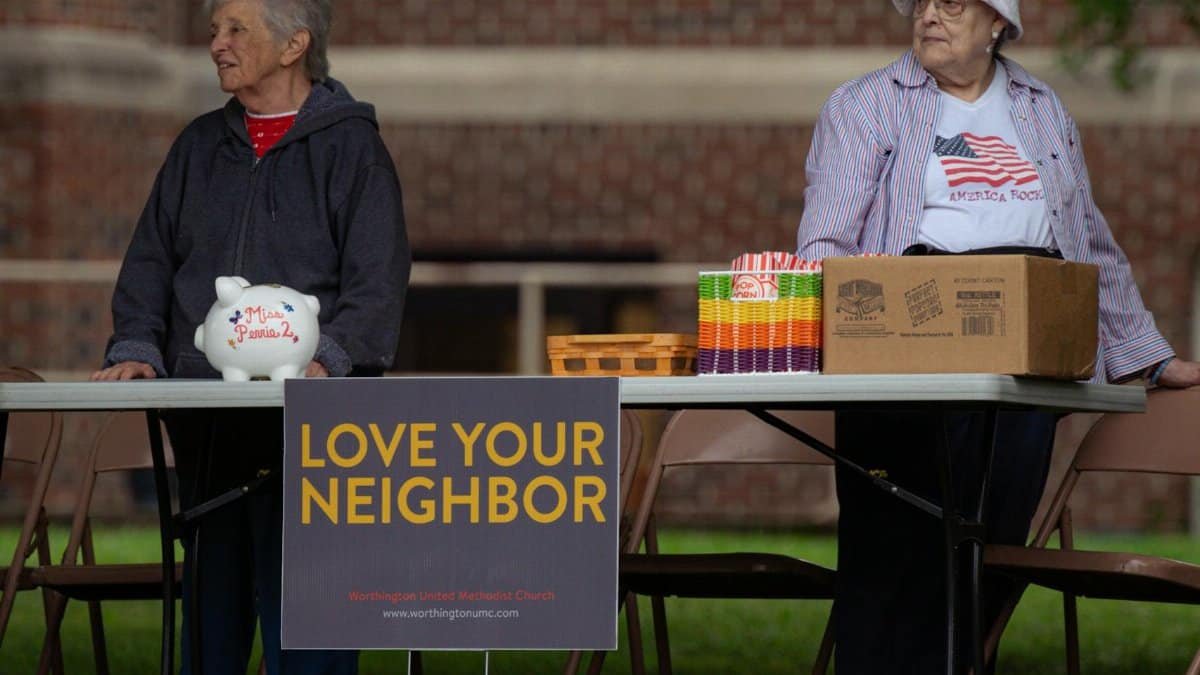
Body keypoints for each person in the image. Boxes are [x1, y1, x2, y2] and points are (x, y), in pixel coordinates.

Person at [796, 0, 1200, 672]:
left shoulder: (1042, 108)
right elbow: (825, 238)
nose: (929, 14)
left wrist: (1148, 357)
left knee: (990, 545)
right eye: (920, 1)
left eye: (951, 2)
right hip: (907, 338)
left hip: (1025, 348)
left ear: (997, 24)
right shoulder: (865, 103)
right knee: (896, 548)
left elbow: (1087, 241)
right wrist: (840, 291)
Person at [91, 0, 410, 673]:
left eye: (236, 29)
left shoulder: (352, 146)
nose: (217, 45)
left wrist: (331, 358)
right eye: (214, 31)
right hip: (209, 413)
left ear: (294, 45)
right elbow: (150, 262)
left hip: (317, 425)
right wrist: (137, 349)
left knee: (312, 615)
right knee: (214, 608)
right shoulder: (197, 146)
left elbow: (376, 280)